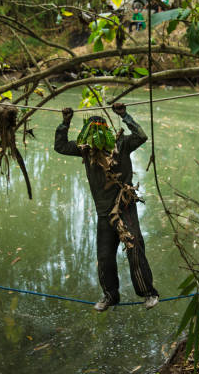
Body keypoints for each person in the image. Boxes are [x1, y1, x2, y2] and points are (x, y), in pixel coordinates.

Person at [54, 102, 159, 311]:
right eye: (92, 131)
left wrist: (125, 116)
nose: (96, 135)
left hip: (125, 208)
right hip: (104, 213)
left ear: (108, 132)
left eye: (101, 129)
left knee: (135, 248)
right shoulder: (86, 150)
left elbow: (141, 136)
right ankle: (110, 296)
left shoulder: (121, 145)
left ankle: (148, 293)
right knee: (104, 256)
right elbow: (60, 146)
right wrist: (65, 122)